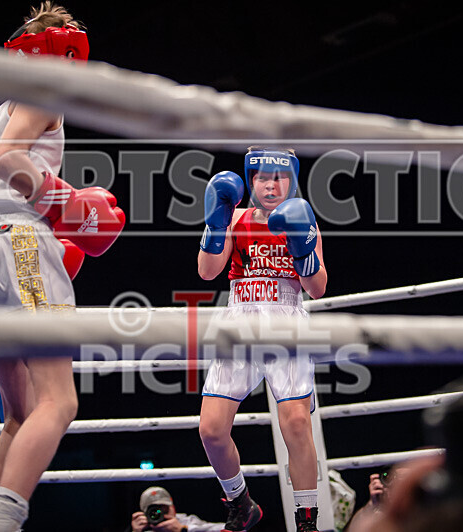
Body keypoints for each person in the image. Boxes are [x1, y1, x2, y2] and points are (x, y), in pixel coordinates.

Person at [0, 3, 124, 530]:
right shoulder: (44, 97)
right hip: (20, 241)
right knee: (60, 402)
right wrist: (64, 207)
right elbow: (7, 163)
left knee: (19, 415)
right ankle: (3, 520)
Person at [197, 147, 327, 531]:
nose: (272, 184)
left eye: (280, 177)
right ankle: (240, 501)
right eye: (264, 177)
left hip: (287, 318)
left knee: (297, 424)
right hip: (240, 316)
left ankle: (307, 521)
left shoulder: (304, 220)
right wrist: (216, 223)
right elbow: (207, 272)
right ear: (251, 180)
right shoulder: (233, 217)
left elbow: (318, 288)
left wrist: (302, 245)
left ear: (291, 179)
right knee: (211, 429)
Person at [127, 486, 225, 532]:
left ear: (173, 508)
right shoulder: (141, 528)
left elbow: (227, 529)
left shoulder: (186, 521)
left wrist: (183, 530)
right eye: (154, 512)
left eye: (165, 510)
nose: (161, 515)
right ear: (144, 514)